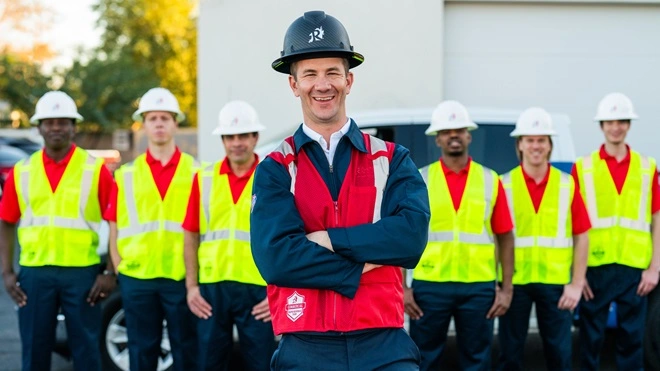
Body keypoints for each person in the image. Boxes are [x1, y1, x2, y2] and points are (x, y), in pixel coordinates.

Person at [250, 10, 430, 370]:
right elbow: (276, 260)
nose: (323, 84)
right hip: (305, 343)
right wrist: (364, 262)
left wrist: (326, 240)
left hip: (384, 342)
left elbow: (410, 239)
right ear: (293, 84)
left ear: (349, 80)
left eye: (332, 72)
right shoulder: (275, 168)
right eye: (310, 74)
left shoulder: (393, 159)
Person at [0, 91, 116, 371]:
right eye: (49, 122)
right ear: (39, 127)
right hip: (35, 273)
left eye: (62, 122)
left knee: (87, 352)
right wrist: (7, 273)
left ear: (73, 127)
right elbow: (6, 220)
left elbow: (116, 221)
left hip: (82, 274)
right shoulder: (22, 171)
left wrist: (111, 272)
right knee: (34, 352)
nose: (56, 128)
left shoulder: (94, 169)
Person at [404, 100, 515, 371]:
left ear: (469, 135)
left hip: (478, 286)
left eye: (459, 129)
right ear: (437, 138)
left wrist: (507, 288)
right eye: (446, 131)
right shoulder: (420, 180)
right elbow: (403, 237)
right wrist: (403, 288)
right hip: (430, 285)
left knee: (477, 360)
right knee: (424, 359)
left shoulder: (491, 179)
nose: (453, 135)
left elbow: (505, 236)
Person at [106, 87, 198, 371]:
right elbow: (114, 224)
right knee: (141, 352)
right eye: (152, 118)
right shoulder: (126, 175)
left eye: (165, 117)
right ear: (143, 124)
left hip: (180, 277)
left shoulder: (196, 171)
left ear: (175, 123)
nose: (159, 123)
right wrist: (119, 265)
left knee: (185, 352)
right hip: (138, 277)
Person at [183, 100, 275, 370]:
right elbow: (190, 234)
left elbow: (287, 237)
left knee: (263, 364)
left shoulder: (271, 178)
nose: (237, 143)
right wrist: (191, 287)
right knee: (208, 364)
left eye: (243, 135)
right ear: (223, 140)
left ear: (255, 137)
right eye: (231, 137)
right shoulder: (204, 178)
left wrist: (278, 292)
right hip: (212, 289)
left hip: (259, 288)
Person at [497, 107, 590, 371]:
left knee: (560, 357)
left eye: (541, 140)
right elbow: (495, 238)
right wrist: (498, 284)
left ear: (550, 145)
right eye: (530, 140)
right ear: (520, 145)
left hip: (556, 285)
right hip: (514, 283)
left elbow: (582, 235)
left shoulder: (567, 184)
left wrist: (577, 283)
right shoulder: (503, 185)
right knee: (509, 356)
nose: (536, 146)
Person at [572, 92, 660, 370]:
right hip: (594, 269)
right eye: (610, 122)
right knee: (590, 341)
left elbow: (657, 218)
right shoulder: (583, 168)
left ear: (628, 125)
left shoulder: (647, 167)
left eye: (621, 121)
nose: (616, 127)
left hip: (635, 268)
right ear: (602, 126)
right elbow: (571, 224)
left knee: (632, 342)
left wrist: (654, 268)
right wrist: (577, 274)